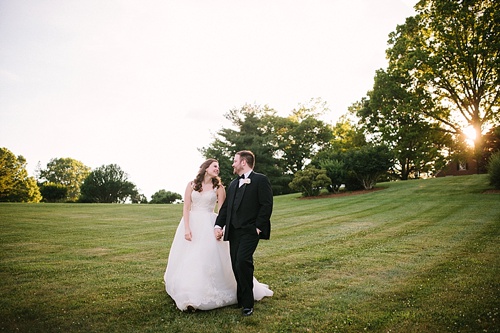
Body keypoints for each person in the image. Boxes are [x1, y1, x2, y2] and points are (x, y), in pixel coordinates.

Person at [164, 158, 272, 311]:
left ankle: (230, 295)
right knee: (190, 258)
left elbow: (224, 210)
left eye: (218, 167)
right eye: (215, 166)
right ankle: (188, 291)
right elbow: (186, 207)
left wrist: (220, 228)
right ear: (206, 167)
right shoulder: (191, 185)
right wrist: (187, 228)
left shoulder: (219, 187)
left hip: (210, 224)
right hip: (193, 223)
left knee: (210, 258)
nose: (218, 169)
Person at [214, 150, 273, 317]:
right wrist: (218, 225)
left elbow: (266, 204)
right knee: (235, 264)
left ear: (243, 163)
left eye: (235, 161)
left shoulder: (260, 180)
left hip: (250, 231)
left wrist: (258, 227)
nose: (233, 164)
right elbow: (226, 209)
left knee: (243, 262)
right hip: (233, 232)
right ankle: (241, 298)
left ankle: (248, 303)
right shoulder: (233, 184)